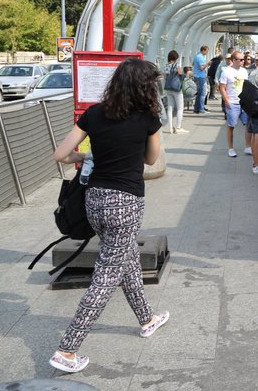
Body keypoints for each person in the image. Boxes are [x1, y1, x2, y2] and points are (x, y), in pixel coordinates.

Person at [48, 58, 169, 373]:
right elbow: (151, 159)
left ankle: (147, 319)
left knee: (125, 257)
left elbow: (61, 155)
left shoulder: (94, 113)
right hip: (125, 203)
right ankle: (67, 350)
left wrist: (85, 154)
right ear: (146, 87)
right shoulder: (148, 118)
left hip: (95, 200)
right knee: (105, 277)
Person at [218, 50, 249, 157]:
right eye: (240, 59)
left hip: (244, 103)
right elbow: (222, 87)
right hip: (232, 102)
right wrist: (226, 101)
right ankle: (230, 148)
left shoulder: (244, 71)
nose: (242, 61)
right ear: (233, 60)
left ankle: (248, 147)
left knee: (248, 125)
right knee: (231, 126)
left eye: (243, 59)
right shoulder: (226, 72)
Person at [163, 50, 189, 134]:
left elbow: (165, 77)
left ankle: (170, 128)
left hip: (168, 89)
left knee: (170, 109)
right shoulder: (177, 65)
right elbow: (181, 75)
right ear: (175, 58)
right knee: (180, 108)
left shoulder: (166, 66)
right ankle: (178, 127)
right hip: (176, 89)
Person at [192, 45, 209, 114]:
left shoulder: (196, 56)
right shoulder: (200, 57)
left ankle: (197, 108)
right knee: (202, 93)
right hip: (200, 76)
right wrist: (207, 64)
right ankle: (201, 109)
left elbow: (193, 64)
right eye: (207, 51)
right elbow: (202, 68)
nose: (207, 53)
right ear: (203, 50)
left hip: (197, 75)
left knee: (199, 93)